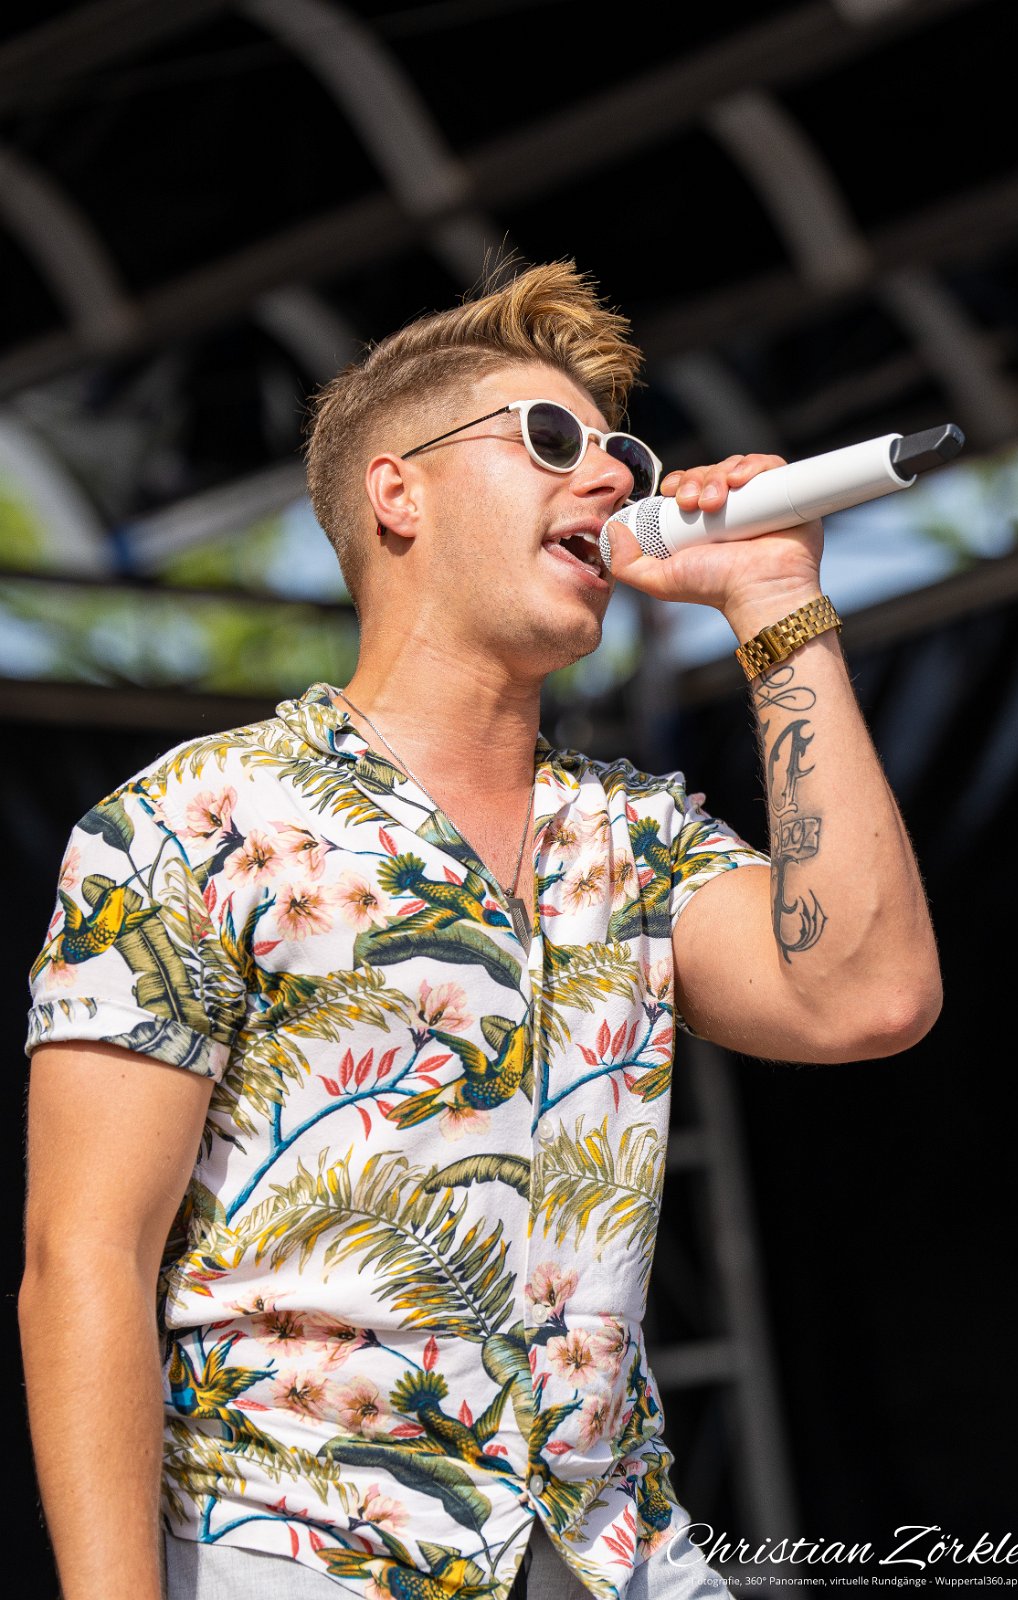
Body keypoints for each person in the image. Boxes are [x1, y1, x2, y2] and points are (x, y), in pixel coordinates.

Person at [19, 261, 942, 1600]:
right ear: (397, 493)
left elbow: (867, 997)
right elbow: (84, 1260)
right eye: (551, 439)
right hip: (307, 1550)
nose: (612, 477)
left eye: (625, 453)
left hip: (614, 1552)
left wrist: (775, 607)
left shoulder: (635, 835)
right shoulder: (193, 821)